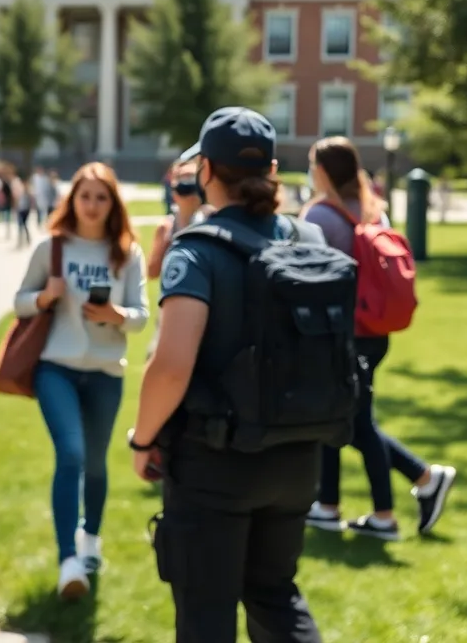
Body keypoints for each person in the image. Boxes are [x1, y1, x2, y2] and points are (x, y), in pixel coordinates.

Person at [130, 107, 341, 643]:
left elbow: (171, 365)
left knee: (206, 614)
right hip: (297, 455)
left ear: (204, 170)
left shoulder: (197, 250)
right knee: (275, 597)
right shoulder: (309, 241)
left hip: (215, 463)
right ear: (270, 168)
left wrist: (143, 439)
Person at [301, 137, 456, 540]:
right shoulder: (372, 211)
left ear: (322, 171)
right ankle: (328, 504)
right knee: (337, 418)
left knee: (356, 424)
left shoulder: (320, 216)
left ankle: (405, 495)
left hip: (341, 335)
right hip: (375, 331)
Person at [13, 162, 149, 601]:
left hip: (106, 372)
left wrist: (117, 316)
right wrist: (45, 296)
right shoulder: (52, 246)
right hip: (57, 368)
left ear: (113, 203)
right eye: (84, 196)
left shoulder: (127, 253)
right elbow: (20, 303)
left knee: (95, 463)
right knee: (70, 455)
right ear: (72, 200)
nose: (92, 205)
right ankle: (68, 559)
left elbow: (142, 315)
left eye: (101, 197)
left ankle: (91, 538)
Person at [144, 160, 206, 359]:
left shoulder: (210, 223)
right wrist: (167, 243)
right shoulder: (166, 227)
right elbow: (152, 272)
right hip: (169, 310)